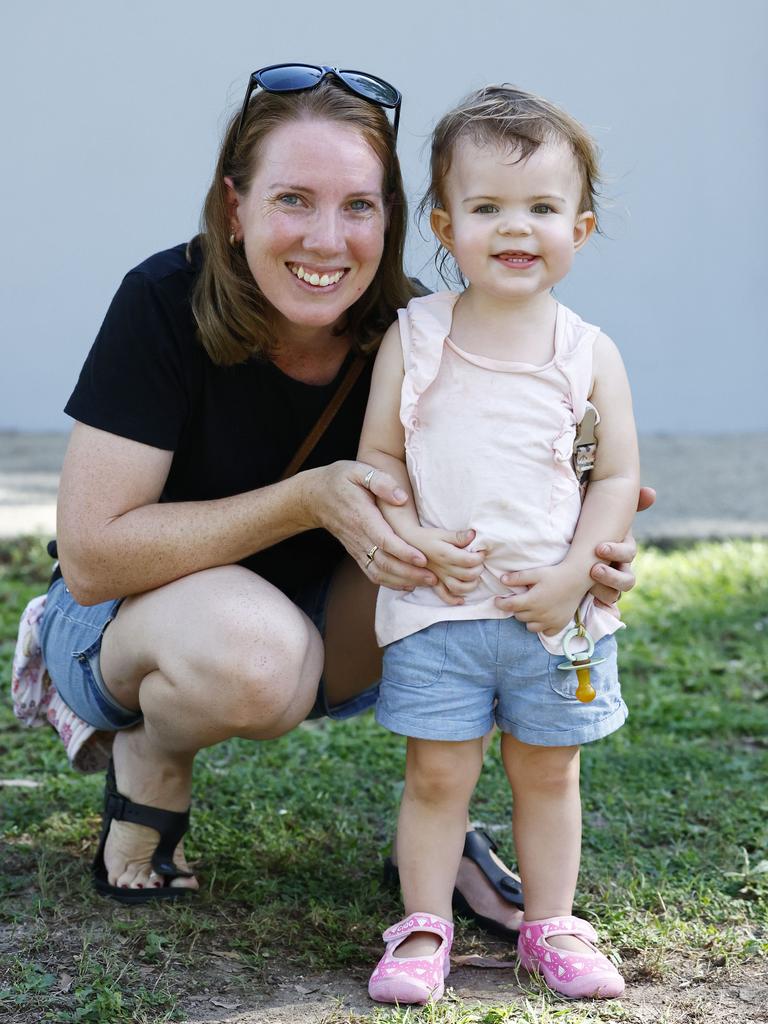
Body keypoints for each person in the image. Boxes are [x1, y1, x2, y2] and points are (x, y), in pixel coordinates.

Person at [35, 67, 649, 930]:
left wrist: (583, 550)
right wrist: (306, 499)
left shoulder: (415, 331)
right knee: (258, 655)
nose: (328, 240)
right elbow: (95, 559)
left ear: (394, 221)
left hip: (330, 620)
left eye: (359, 206)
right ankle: (153, 752)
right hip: (138, 625)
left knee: (471, 585)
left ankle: (438, 822)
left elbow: (583, 490)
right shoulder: (162, 301)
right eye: (293, 199)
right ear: (234, 205)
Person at [362, 85, 639, 1003]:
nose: (515, 229)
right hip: (439, 610)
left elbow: (610, 481)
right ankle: (423, 925)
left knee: (549, 772)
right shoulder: (417, 336)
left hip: (554, 622)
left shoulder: (588, 352)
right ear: (445, 222)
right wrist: (415, 539)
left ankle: (551, 925)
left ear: (582, 228)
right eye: (486, 208)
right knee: (438, 774)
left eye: (542, 209)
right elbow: (380, 461)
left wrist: (570, 577)